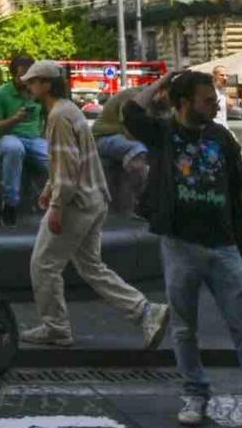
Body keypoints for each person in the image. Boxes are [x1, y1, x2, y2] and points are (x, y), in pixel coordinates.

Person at [122, 69, 242, 428]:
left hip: (224, 245)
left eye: (214, 99)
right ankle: (195, 395)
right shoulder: (164, 133)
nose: (216, 104)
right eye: (207, 100)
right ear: (183, 103)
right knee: (184, 329)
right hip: (179, 245)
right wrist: (159, 86)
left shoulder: (221, 137)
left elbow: (241, 190)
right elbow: (129, 110)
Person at [23, 59, 167, 349]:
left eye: (34, 81)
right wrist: (50, 188)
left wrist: (56, 205)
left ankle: (56, 327)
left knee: (43, 265)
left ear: (47, 84)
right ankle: (145, 311)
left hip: (76, 202)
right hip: (95, 198)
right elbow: (69, 160)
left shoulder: (58, 116)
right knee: (91, 267)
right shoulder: (70, 110)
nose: (28, 85)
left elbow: (67, 166)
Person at [0, 55, 49, 226]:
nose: (27, 80)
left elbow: (49, 118)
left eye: (31, 76)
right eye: (23, 76)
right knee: (14, 149)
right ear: (14, 75)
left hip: (35, 139)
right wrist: (15, 119)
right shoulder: (0, 93)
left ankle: (59, 203)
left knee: (56, 157)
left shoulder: (37, 93)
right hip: (9, 137)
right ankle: (10, 204)